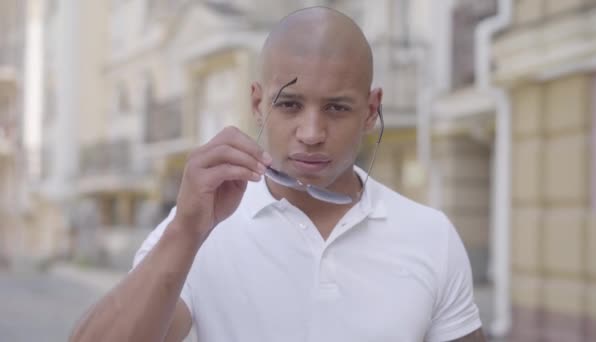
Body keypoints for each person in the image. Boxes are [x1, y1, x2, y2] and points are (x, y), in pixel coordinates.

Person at [70, 6, 485, 342]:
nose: (311, 133)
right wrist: (185, 232)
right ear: (257, 103)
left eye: (336, 108)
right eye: (289, 105)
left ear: (371, 111)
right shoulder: (198, 234)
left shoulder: (430, 235)